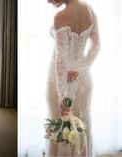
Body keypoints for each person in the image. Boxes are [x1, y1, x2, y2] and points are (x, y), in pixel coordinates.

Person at [46, 0, 100, 156]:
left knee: (65, 129)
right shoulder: (90, 10)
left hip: (62, 82)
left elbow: (61, 62)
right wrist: (80, 69)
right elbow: (96, 46)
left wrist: (63, 99)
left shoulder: (60, 17)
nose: (48, 1)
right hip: (84, 81)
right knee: (82, 126)